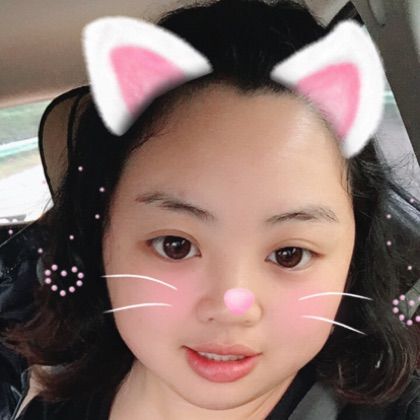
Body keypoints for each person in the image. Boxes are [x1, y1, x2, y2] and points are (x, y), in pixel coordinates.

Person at [1, 0, 419, 419]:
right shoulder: (51, 407)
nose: (231, 307)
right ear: (102, 239)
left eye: (289, 255)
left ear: (353, 256)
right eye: (175, 245)